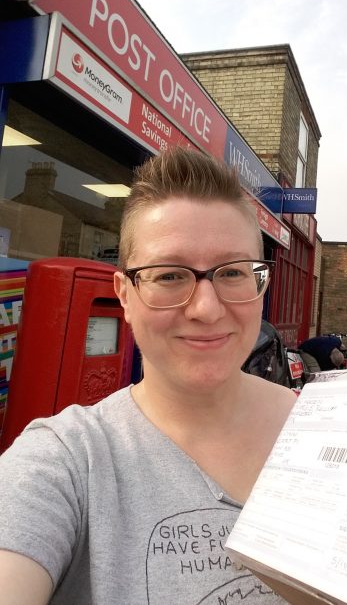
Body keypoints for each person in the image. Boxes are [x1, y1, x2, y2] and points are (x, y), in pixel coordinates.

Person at [0, 147, 297, 604]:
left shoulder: (327, 436)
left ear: (261, 285)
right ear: (124, 294)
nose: (206, 308)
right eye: (169, 276)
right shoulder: (66, 461)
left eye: (234, 272)